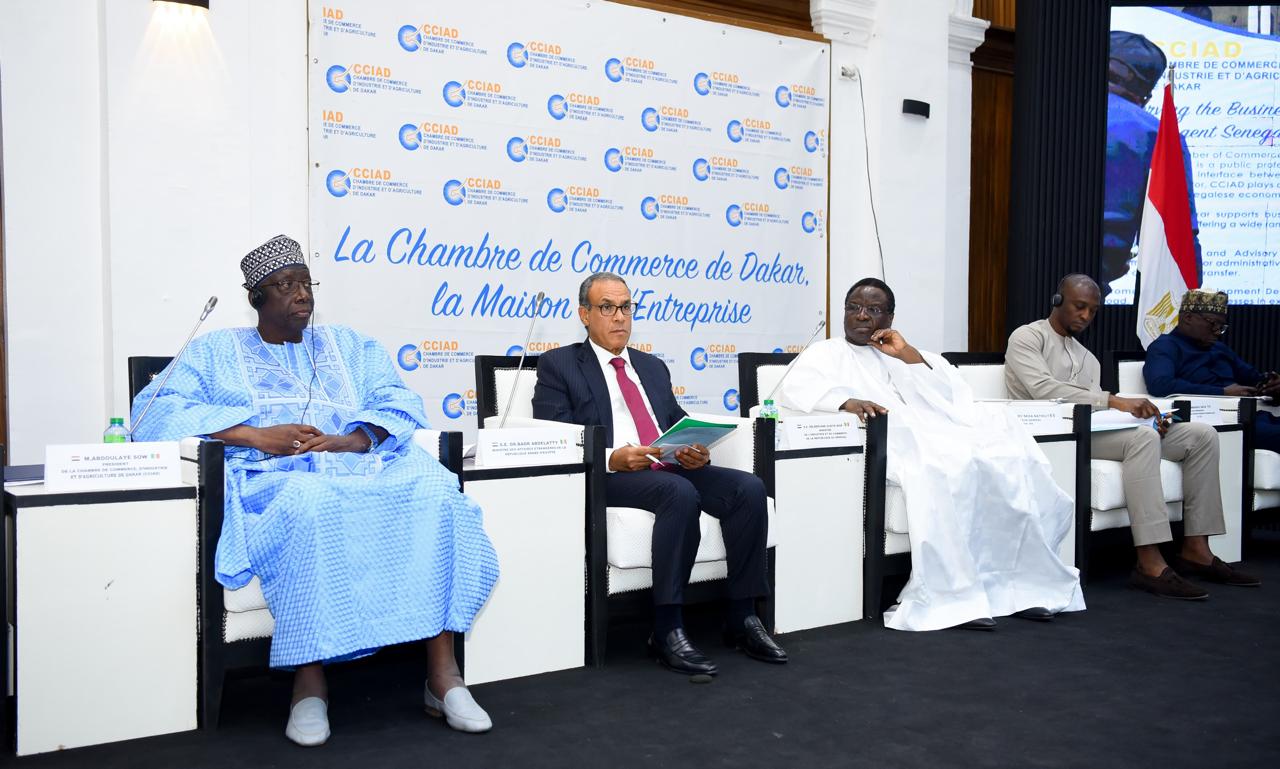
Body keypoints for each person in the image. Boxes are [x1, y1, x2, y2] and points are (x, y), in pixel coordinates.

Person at [131, 235, 500, 746]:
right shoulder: (215, 351)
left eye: (306, 283)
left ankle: (443, 676)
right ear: (256, 297)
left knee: (438, 493)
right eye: (287, 285)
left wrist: (355, 438)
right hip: (273, 476)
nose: (302, 294)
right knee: (312, 502)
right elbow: (153, 412)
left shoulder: (350, 345)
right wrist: (255, 435)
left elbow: (397, 398)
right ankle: (309, 683)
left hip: (359, 467)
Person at [778, 277, 1085, 631]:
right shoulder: (825, 353)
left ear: (890, 318)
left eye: (873, 309)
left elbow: (952, 394)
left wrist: (906, 354)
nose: (861, 316)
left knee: (1009, 459)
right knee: (943, 466)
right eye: (854, 308)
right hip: (892, 439)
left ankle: (1018, 585)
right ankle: (956, 593)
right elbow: (797, 389)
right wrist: (846, 402)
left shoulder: (901, 351)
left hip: (933, 432)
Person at [532, 272, 785, 675]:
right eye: (607, 307)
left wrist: (693, 447)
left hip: (664, 464)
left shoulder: (650, 366)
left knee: (748, 489)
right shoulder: (559, 365)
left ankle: (742, 616)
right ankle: (667, 628)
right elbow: (556, 435)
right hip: (609, 474)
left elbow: (674, 420)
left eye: (626, 307)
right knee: (677, 493)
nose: (619, 317)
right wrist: (613, 458)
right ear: (584, 314)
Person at [1005, 274, 1259, 598]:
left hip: (1089, 430)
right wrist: (1114, 401)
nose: (1085, 315)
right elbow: (1042, 389)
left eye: (1092, 310)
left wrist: (1148, 419)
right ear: (1058, 301)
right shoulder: (1027, 337)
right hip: (1053, 435)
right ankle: (1149, 562)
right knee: (1142, 439)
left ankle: (1197, 548)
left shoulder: (1087, 357)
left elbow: (1096, 411)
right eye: (1079, 306)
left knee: (1200, 435)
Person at [1104, 31, 1201, 294]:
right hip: (1091, 284)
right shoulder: (1158, 135)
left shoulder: (1045, 106)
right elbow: (1178, 238)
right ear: (1144, 97)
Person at [1144, 288, 1280, 453]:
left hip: (1252, 416)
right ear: (1188, 318)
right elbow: (1160, 384)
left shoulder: (1219, 348)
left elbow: (1253, 378)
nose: (1217, 331)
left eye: (1222, 326)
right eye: (1213, 323)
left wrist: (1271, 384)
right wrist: (1222, 393)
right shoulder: (1165, 346)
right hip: (1215, 421)